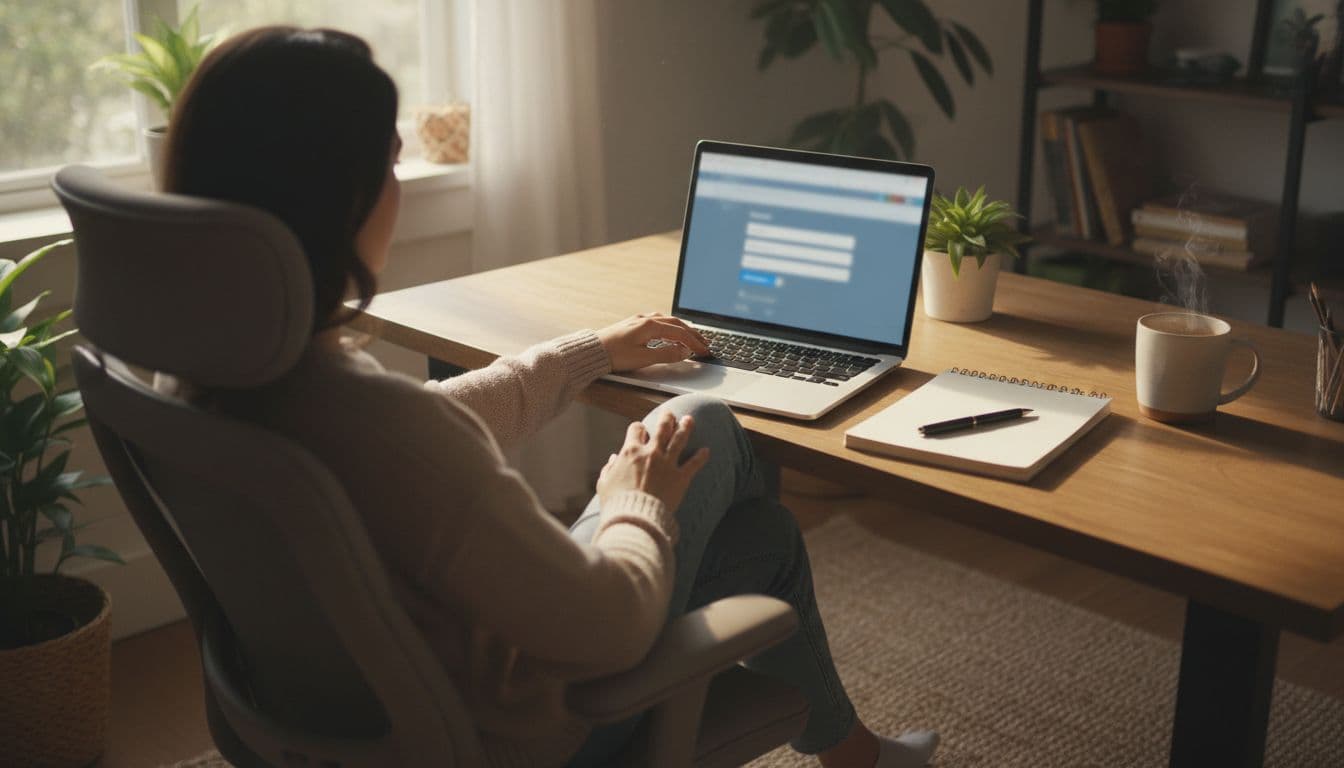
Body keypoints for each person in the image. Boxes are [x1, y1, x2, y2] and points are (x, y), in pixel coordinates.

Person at [161, 26, 939, 768]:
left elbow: (412, 438)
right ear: (334, 197)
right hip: (524, 734)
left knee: (765, 536)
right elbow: (609, 629)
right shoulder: (367, 419)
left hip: (367, 712)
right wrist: (638, 500)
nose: (397, 187)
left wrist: (591, 353)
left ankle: (857, 756)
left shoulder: (204, 370)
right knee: (702, 419)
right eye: (390, 164)